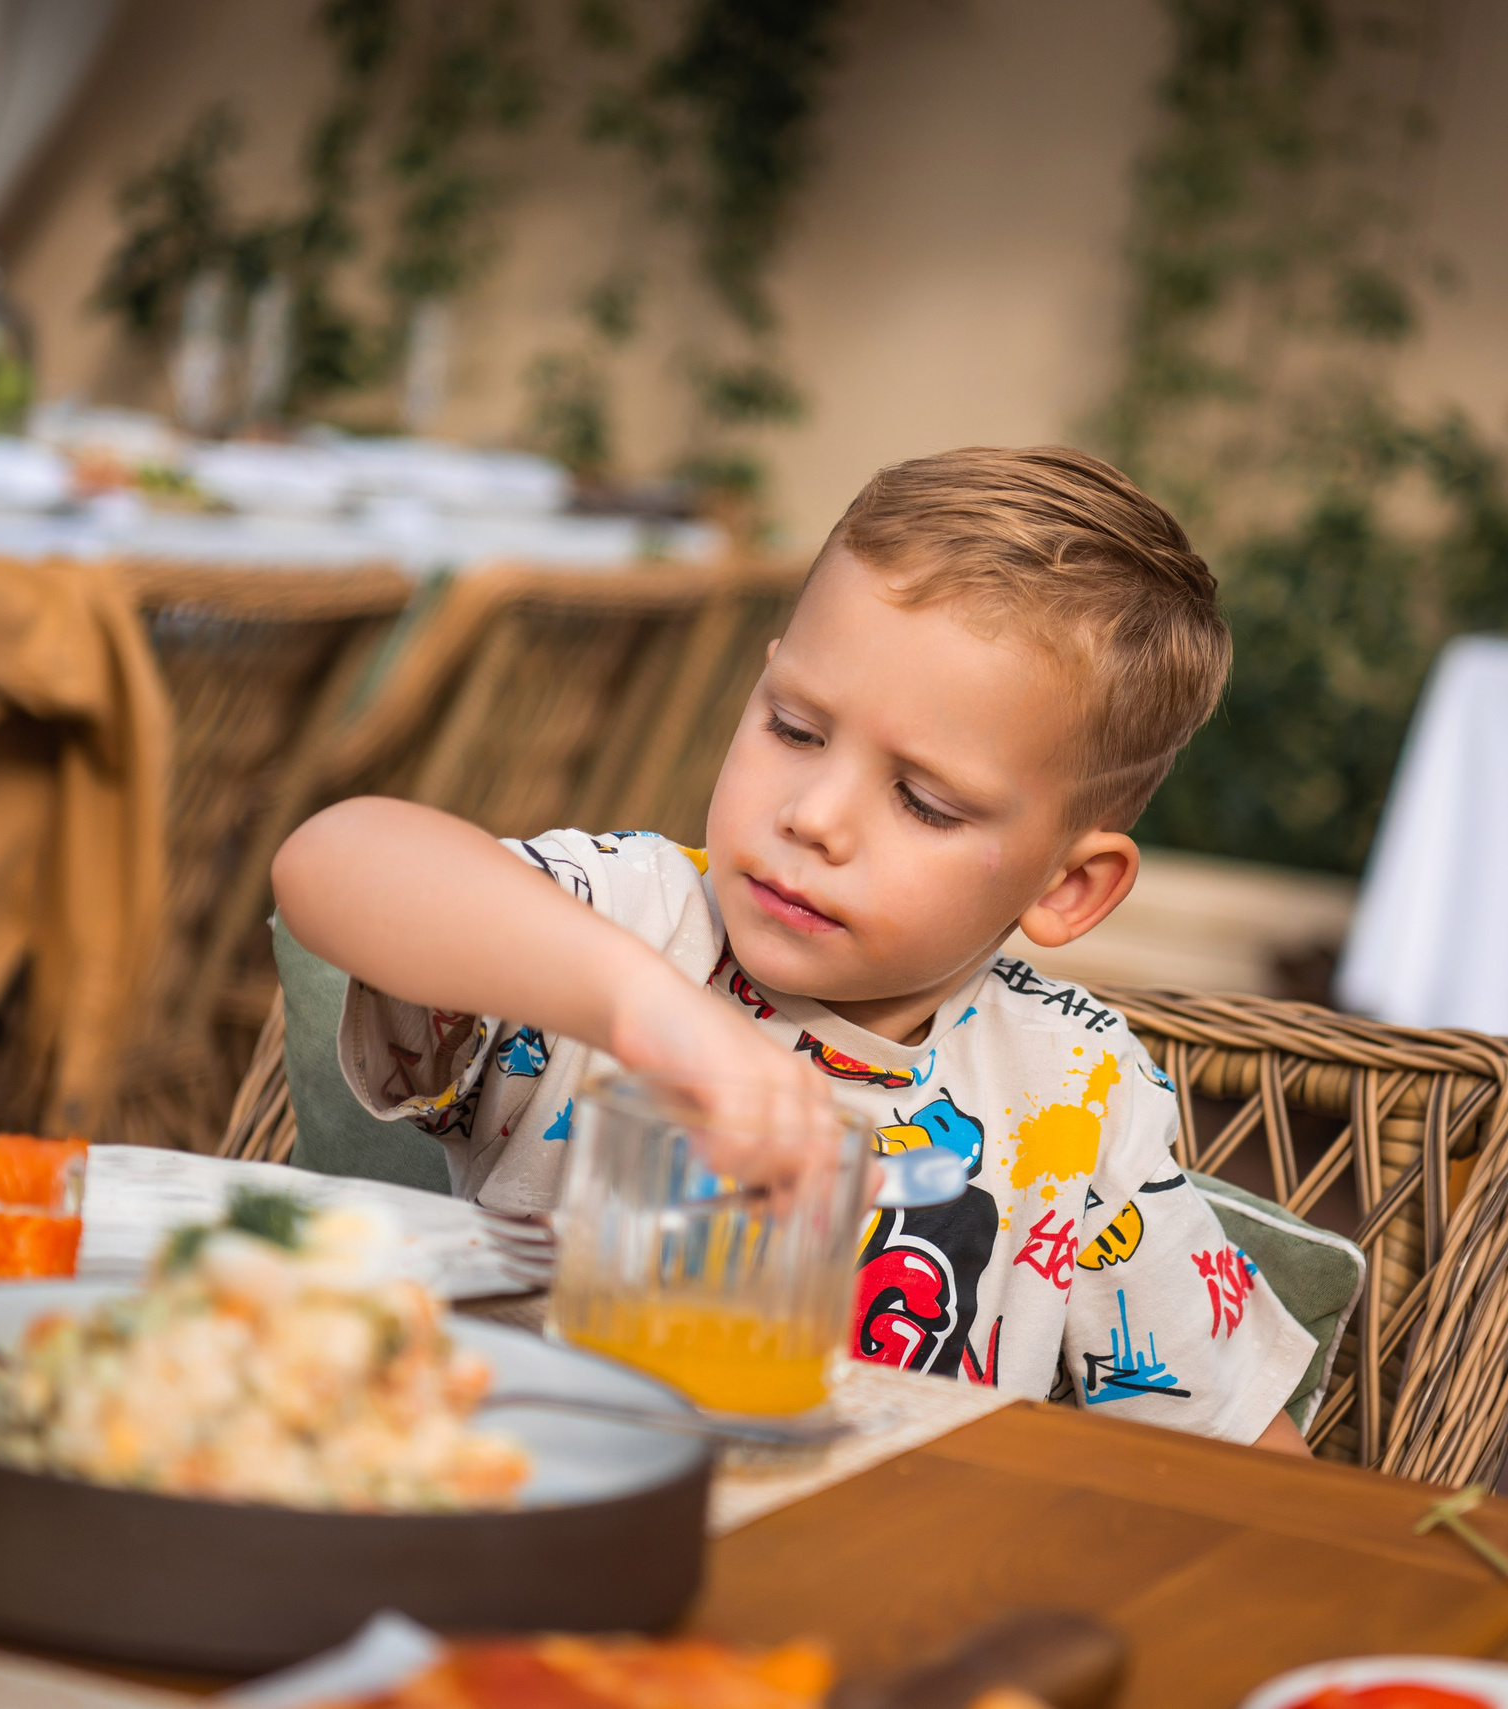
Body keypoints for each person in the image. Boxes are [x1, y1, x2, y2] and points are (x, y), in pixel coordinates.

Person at [273, 446, 1315, 1451]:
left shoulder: (1077, 1092)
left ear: (1064, 884)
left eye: (924, 801)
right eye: (795, 729)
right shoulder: (630, 922)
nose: (813, 816)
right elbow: (336, 856)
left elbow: (1242, 1454)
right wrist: (647, 1012)